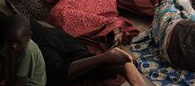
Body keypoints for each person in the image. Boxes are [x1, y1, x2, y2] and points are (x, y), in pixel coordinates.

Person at [0, 16, 145, 86]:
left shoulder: (20, 44)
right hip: (55, 34)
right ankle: (122, 67)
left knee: (52, 75)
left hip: (43, 42)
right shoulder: (15, 22)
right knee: (82, 59)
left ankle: (104, 58)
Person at [2, 0, 138, 46]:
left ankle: (113, 27)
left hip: (98, 5)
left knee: (60, 14)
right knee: (60, 14)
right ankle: (113, 27)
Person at [0, 14, 46, 86]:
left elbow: (20, 82)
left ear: (29, 36)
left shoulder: (28, 51)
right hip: (13, 79)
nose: (13, 46)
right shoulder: (10, 40)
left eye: (18, 42)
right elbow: (2, 63)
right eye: (10, 41)